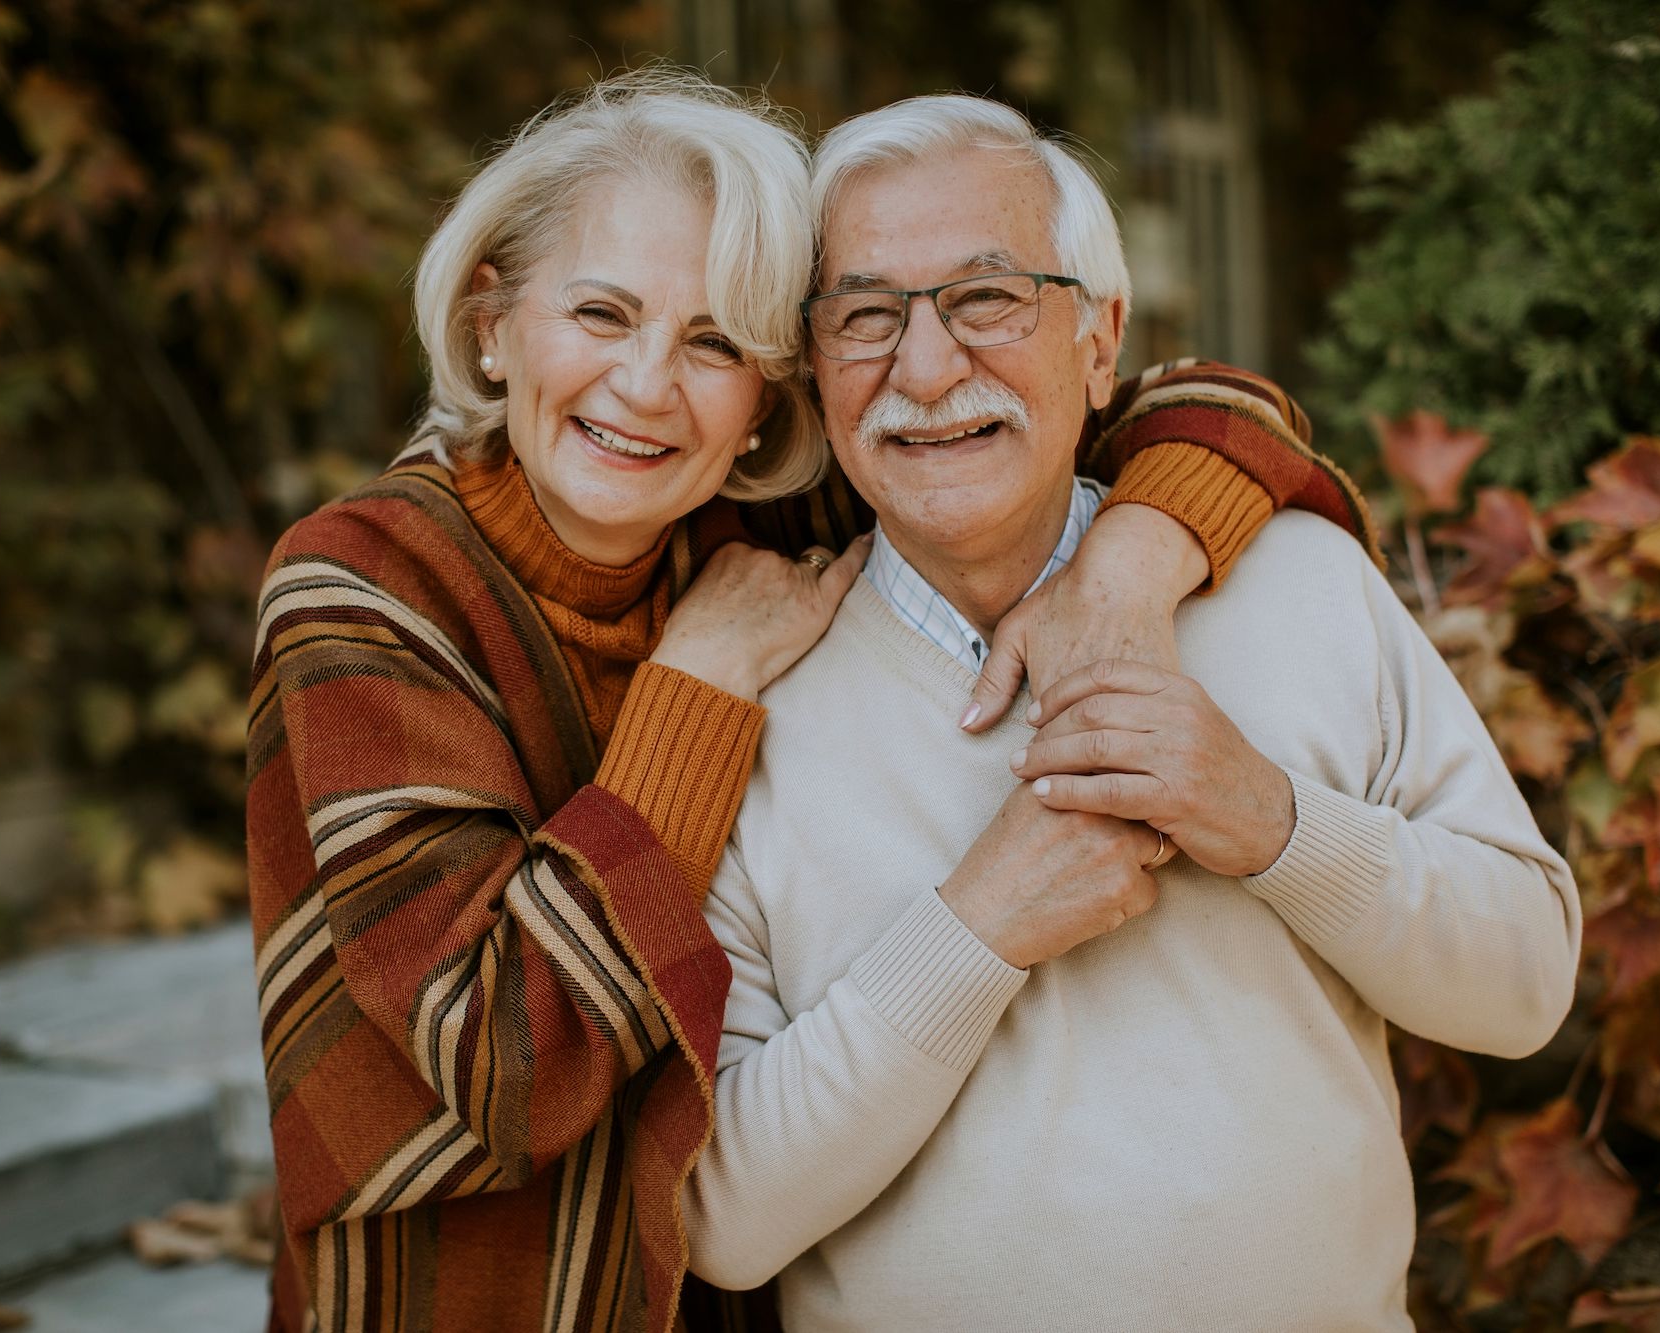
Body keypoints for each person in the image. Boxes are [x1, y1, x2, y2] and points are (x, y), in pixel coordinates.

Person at [247, 72, 1374, 1333]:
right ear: (493, 320)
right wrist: (696, 686)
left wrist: (1124, 571)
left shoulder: (765, 515)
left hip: (725, 1281)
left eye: (717, 340)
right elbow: (508, 1054)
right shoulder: (366, 585)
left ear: (768, 398)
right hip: (474, 1290)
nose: (647, 385)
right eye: (602, 312)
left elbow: (1217, 409)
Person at [684, 95, 1582, 1331]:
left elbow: (1526, 984)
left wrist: (1267, 821)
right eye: (865, 315)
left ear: (1099, 343)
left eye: (988, 298)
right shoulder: (755, 696)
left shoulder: (1296, 582)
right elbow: (723, 1220)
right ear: (812, 369)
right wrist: (978, 927)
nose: (926, 366)